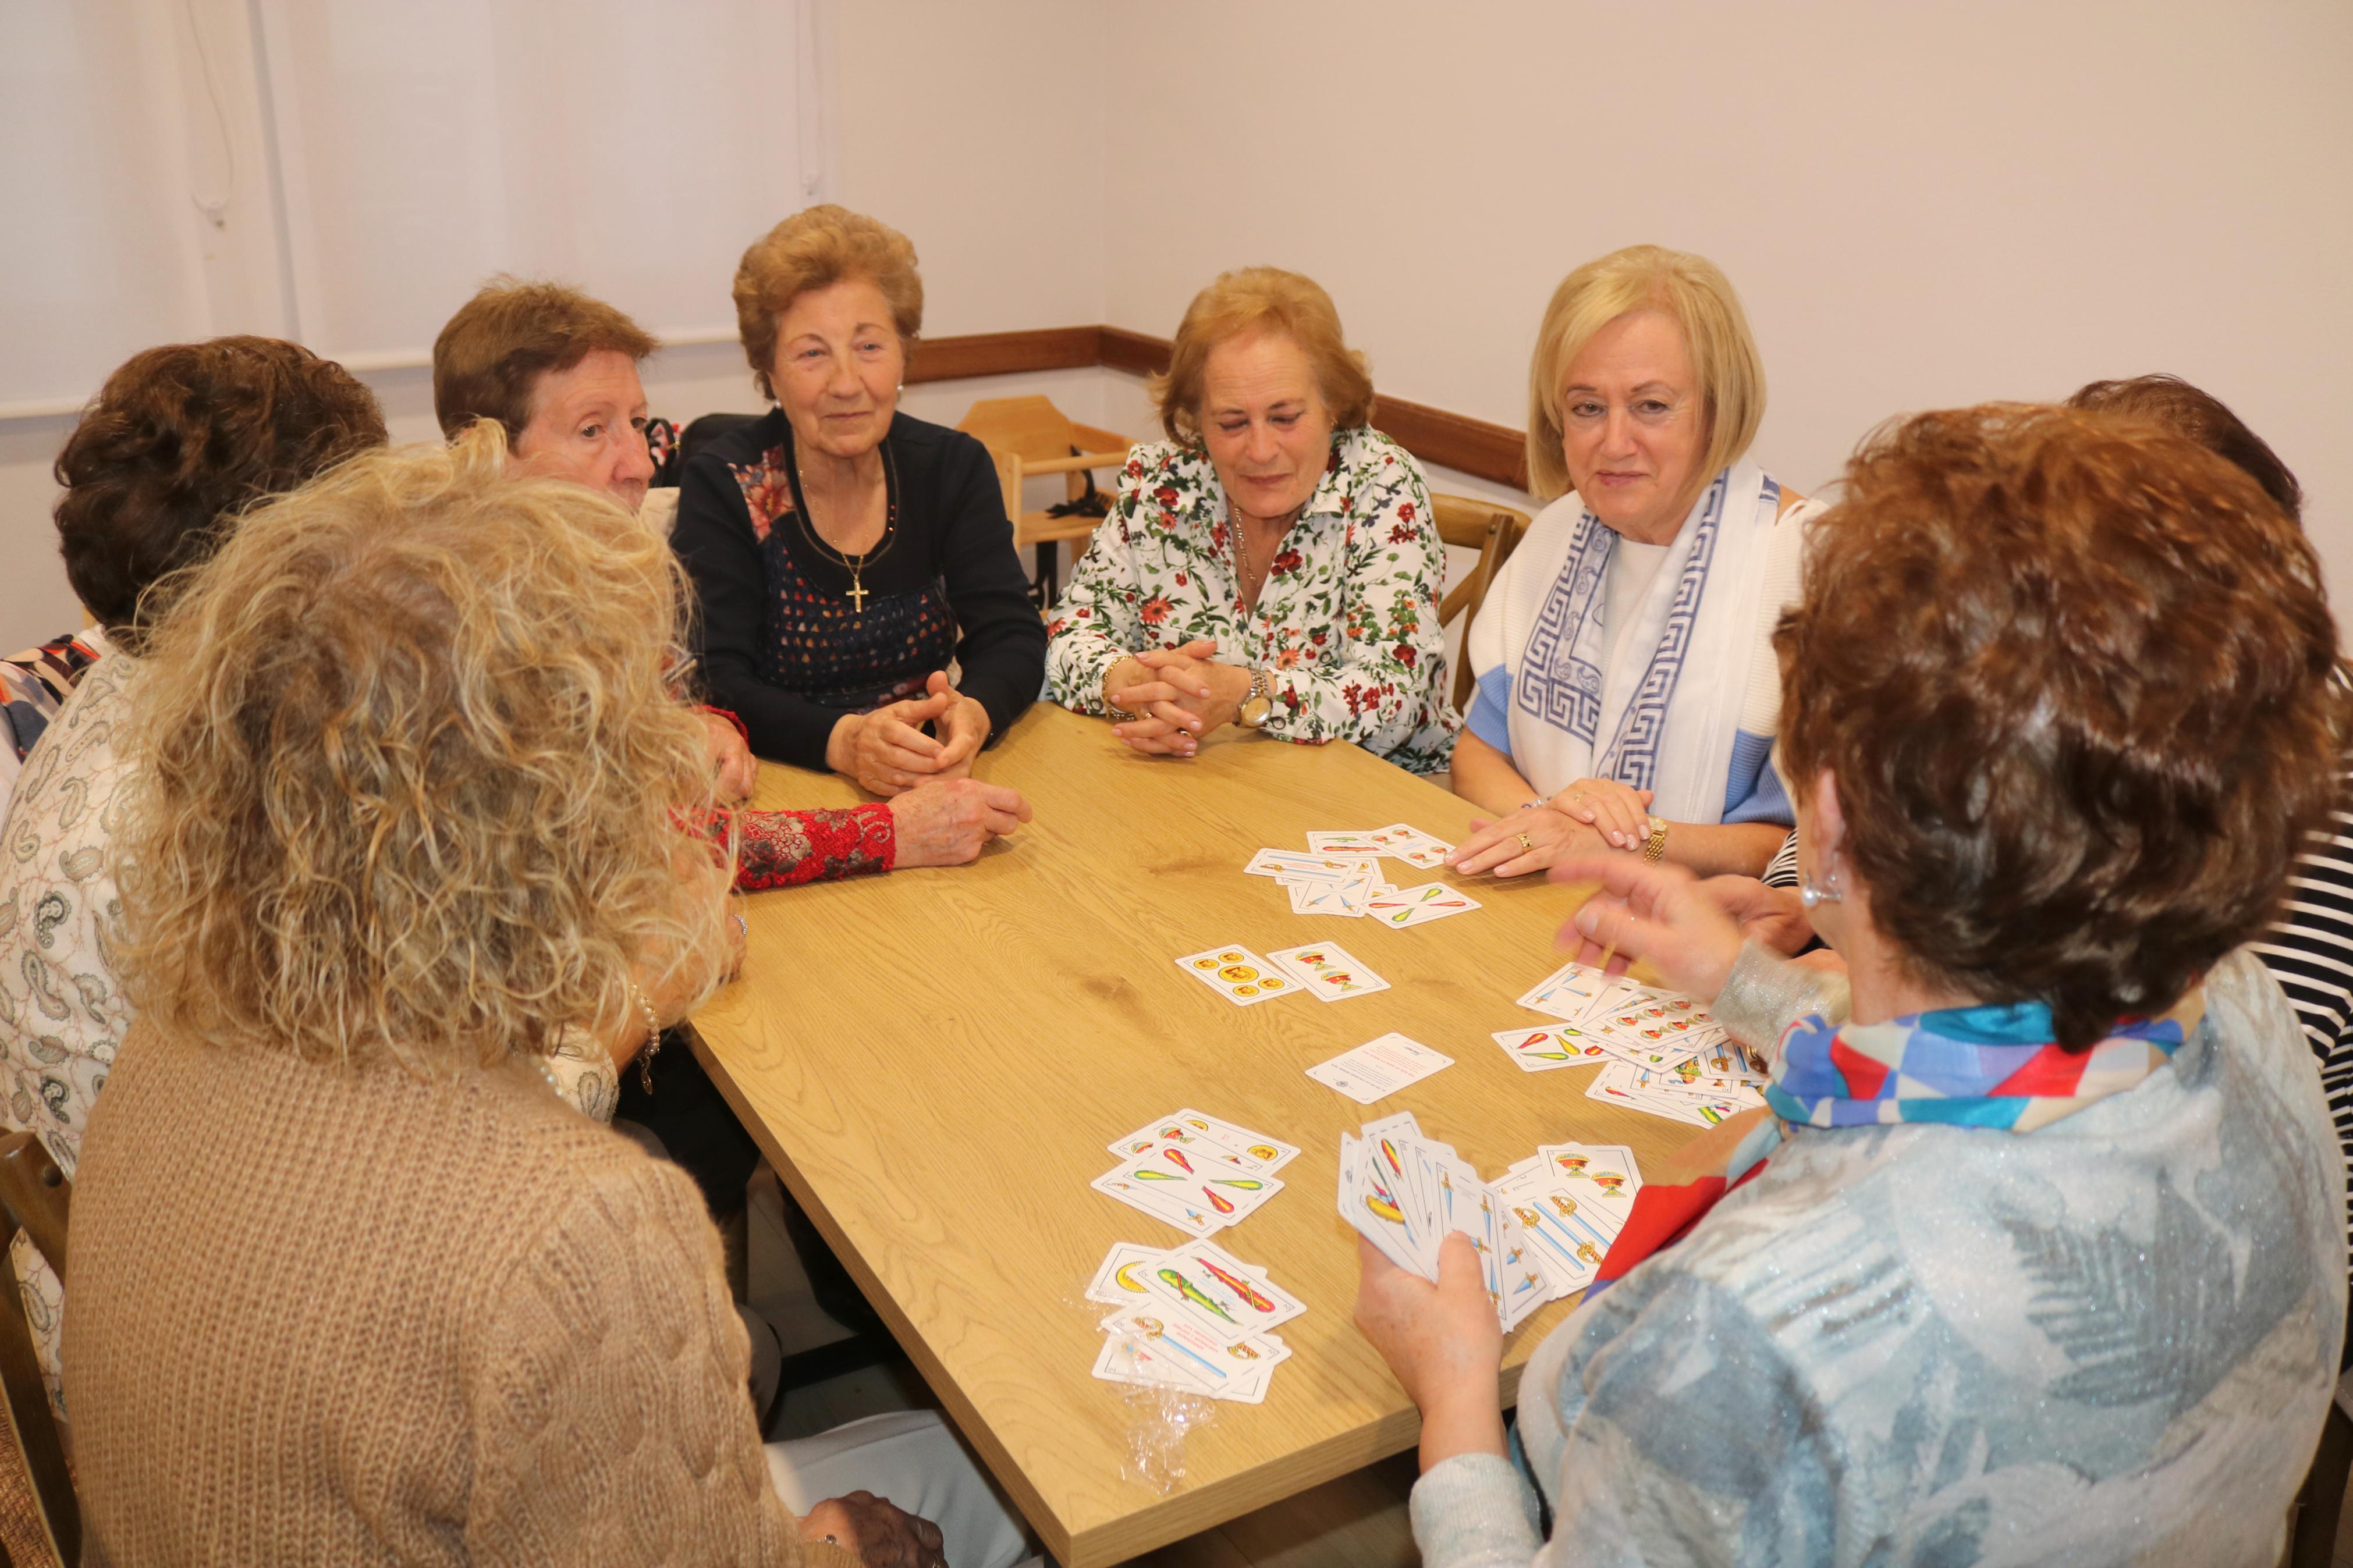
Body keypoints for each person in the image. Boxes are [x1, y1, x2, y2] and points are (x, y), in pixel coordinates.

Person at [1357, 404, 2346, 1565]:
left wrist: (1456, 1401)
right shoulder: (2241, 1010)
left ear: (1823, 813)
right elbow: (1994, 1048)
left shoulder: (1736, 1344)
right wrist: (1740, 982)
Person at [64, 430, 1030, 1568]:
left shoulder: (181, 1017)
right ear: (556, 813)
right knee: (983, 1484)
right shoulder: (589, 1231)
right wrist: (835, 1546)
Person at [0, 337, 388, 1410]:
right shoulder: (192, 824)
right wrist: (628, 1010)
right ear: (277, 568)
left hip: (150, 1284)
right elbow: (396, 1184)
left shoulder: (137, 693)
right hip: (228, 1372)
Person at [434, 277, 1032, 872]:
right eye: (592, 430)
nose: (640, 466)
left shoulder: (589, 578)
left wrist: (704, 723)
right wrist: (893, 833)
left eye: (639, 424)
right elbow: (637, 849)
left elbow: (678, 694)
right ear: (478, 456)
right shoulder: (459, 626)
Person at [1447, 246, 1818, 880]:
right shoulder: (1555, 533)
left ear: (1715, 411)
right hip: (1540, 897)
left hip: (1710, 936)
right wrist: (1546, 820)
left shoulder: (1806, 566)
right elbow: (1475, 754)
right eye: (1587, 407)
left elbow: (1795, 853)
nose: (1613, 444)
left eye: (1650, 405)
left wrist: (1629, 841)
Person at [672, 206, 1047, 794]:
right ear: (769, 371)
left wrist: (973, 711)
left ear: (902, 354)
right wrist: (843, 741)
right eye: (812, 353)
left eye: (869, 346)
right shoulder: (728, 483)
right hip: (783, 778)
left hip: (934, 768)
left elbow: (1012, 635)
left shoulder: (949, 468)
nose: (846, 383)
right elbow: (715, 676)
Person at [1044, 266, 1457, 773]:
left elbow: (1395, 698)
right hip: (1202, 780)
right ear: (1195, 419)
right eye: (1232, 422)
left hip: (1371, 794)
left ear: (1333, 405)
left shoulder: (1382, 484)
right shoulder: (1163, 481)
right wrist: (1131, 683)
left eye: (1285, 418)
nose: (1260, 451)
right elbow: (1068, 633)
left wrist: (1247, 695)